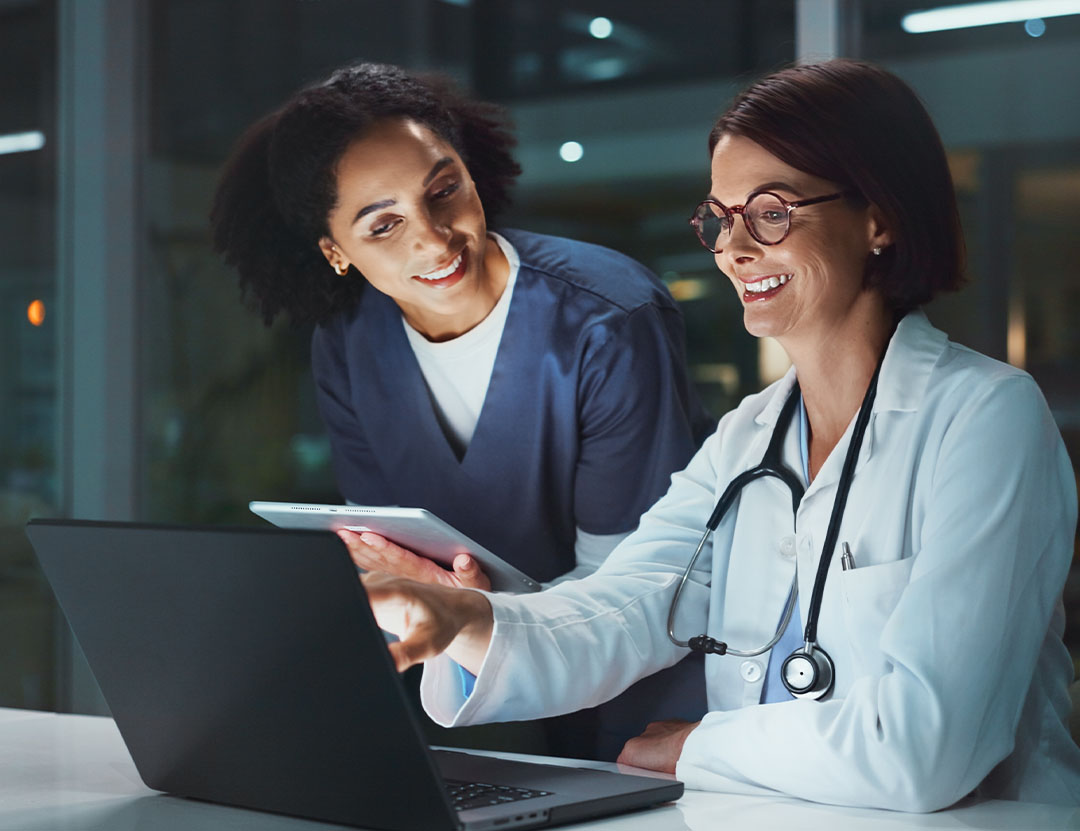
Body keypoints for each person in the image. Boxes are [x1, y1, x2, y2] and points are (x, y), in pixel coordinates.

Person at [360, 59, 1080, 811]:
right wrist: (461, 619)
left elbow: (925, 748)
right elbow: (628, 607)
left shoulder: (987, 416)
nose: (733, 249)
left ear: (879, 216)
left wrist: (692, 746)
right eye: (719, 217)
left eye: (771, 212)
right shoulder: (750, 438)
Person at [209, 62, 715, 760]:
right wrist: (437, 600)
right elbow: (391, 560)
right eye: (382, 225)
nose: (434, 238)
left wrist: (467, 606)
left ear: (471, 173)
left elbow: (632, 593)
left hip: (639, 709)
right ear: (336, 252)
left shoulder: (607, 319)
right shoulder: (350, 344)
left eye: (443, 190)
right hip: (478, 708)